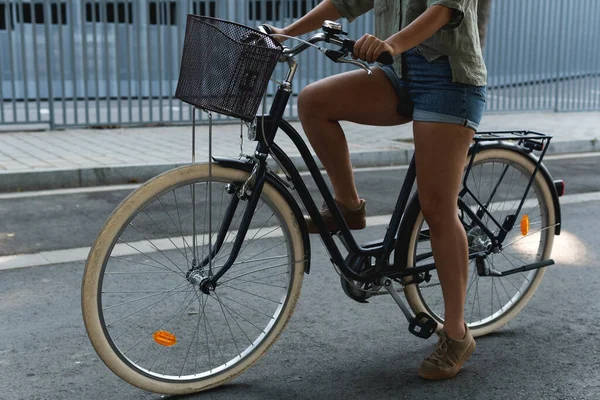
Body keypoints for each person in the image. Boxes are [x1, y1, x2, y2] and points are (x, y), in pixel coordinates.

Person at [268, 0, 487, 380]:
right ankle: (348, 206)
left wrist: (393, 44)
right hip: (396, 73)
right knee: (314, 101)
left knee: (436, 208)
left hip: (448, 80)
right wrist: (288, 33)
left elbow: (444, 9)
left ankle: (456, 334)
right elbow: (343, 3)